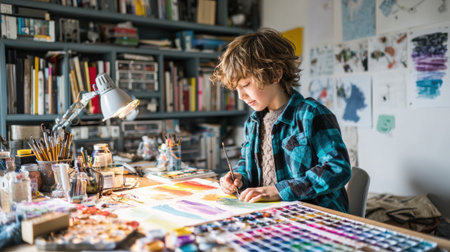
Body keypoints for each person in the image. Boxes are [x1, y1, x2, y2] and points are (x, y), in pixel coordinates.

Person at [211, 28, 351, 212]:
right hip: (271, 215)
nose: (241, 96)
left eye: (245, 85)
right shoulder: (252, 123)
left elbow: (337, 168)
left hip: (313, 216)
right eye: (236, 89)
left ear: (275, 74)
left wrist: (279, 191)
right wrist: (238, 176)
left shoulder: (311, 114)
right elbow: (248, 164)